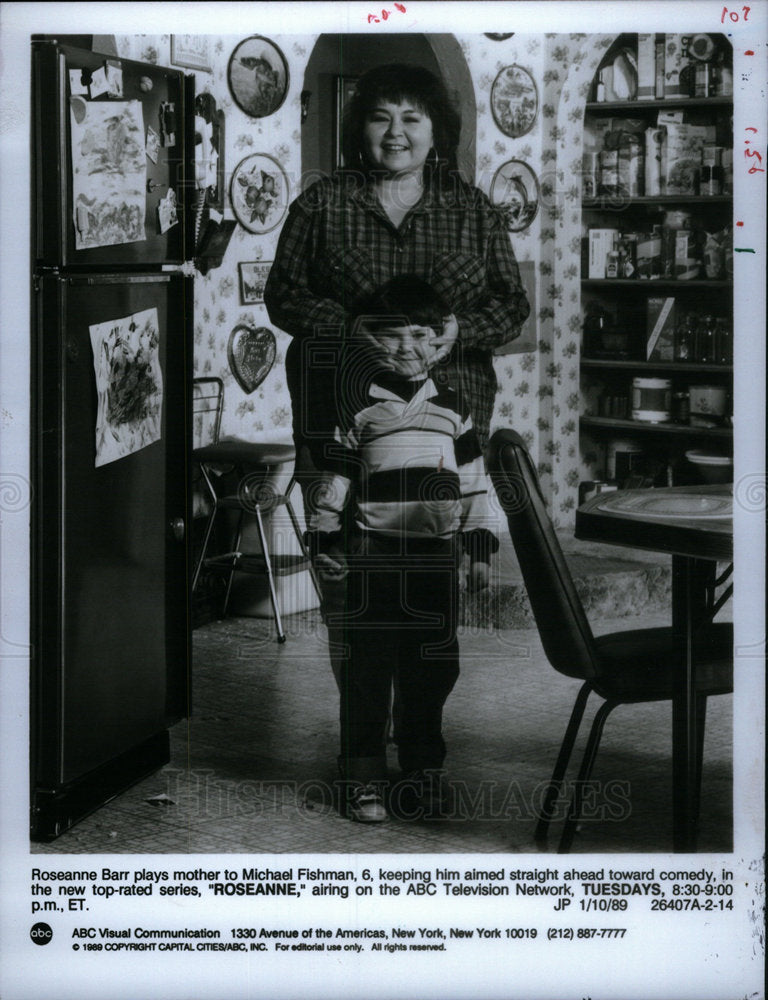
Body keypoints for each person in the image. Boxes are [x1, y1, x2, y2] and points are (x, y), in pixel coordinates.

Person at [307, 276, 500, 823]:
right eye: (392, 337)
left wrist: (479, 548)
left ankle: (421, 768)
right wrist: (327, 542)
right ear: (368, 340)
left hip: (435, 558)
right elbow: (335, 486)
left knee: (432, 667)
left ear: (441, 339)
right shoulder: (357, 410)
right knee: (367, 667)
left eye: (421, 335)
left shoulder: (455, 410)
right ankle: (362, 772)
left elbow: (474, 483)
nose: (407, 348)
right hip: (371, 555)